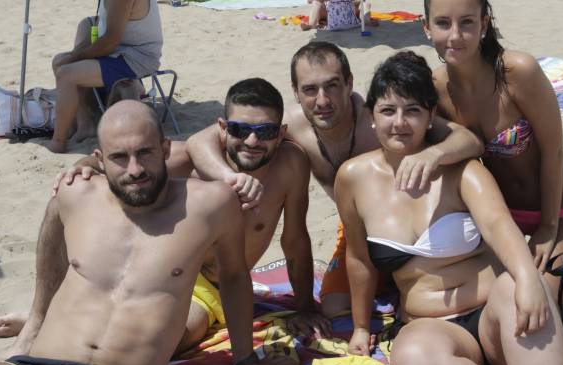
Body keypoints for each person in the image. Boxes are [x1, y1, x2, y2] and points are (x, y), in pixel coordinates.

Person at [0, 101, 296, 365]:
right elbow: (51, 239)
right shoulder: (76, 195)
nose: (135, 169)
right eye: (119, 157)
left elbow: (233, 276)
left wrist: (246, 361)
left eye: (145, 153)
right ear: (100, 159)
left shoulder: (211, 205)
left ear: (166, 149)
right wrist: (35, 322)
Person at [0, 78, 331, 348]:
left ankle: (60, 319)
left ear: (282, 133)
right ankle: (45, 317)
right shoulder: (187, 161)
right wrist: (80, 167)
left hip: (210, 287)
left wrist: (303, 306)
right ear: (223, 127)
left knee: (178, 336)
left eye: (267, 132)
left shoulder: (291, 166)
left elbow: (295, 239)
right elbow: (114, 163)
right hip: (160, 269)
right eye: (241, 130)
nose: (253, 141)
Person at [336, 51, 563, 365]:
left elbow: (497, 224)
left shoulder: (461, 170)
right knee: (412, 362)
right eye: (388, 110)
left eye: (412, 110)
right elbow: (360, 259)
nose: (399, 122)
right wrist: (362, 327)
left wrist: (527, 279)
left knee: (522, 286)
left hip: (495, 317)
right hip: (431, 325)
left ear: (431, 116)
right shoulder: (353, 178)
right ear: (371, 115)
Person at [186, 41, 484, 317]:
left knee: (417, 302)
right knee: (334, 307)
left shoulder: (380, 119)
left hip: (414, 226)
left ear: (349, 83)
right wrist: (230, 178)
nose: (322, 100)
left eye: (332, 86)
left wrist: (433, 154)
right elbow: (199, 141)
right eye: (310, 90)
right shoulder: (288, 129)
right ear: (296, 91)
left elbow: (469, 140)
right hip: (359, 229)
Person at [422, 0, 563, 291]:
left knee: (542, 295)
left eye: (467, 22)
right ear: (426, 28)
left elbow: (553, 151)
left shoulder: (518, 71)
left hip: (559, 208)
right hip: (502, 218)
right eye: (443, 23)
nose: (455, 35)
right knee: (502, 296)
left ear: (483, 24)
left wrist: (547, 228)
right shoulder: (436, 89)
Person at [48, 0, 162, 153]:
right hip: (121, 51)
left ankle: (58, 141)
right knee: (66, 55)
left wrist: (76, 57)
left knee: (66, 75)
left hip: (135, 57)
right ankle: (84, 124)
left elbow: (111, 41)